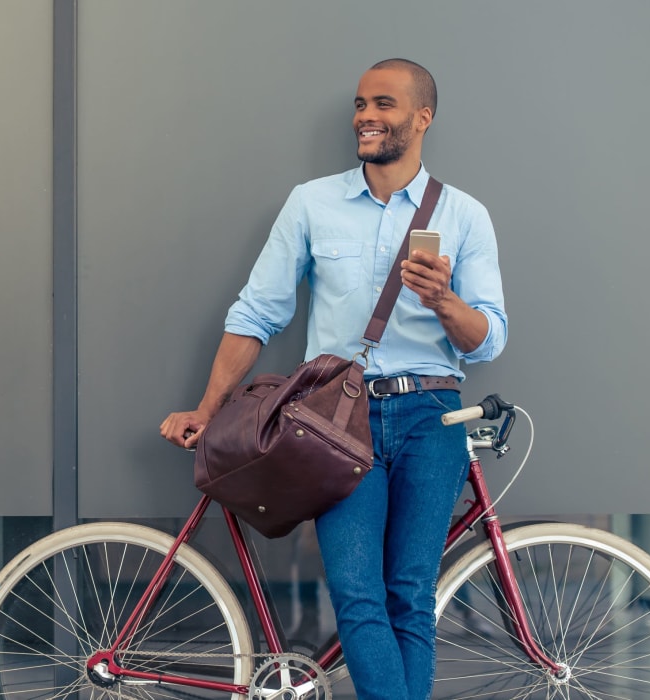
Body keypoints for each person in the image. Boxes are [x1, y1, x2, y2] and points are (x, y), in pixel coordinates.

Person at [159, 58, 507, 700]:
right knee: (356, 592)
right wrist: (208, 409)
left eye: (383, 104)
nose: (366, 117)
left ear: (422, 117)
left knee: (410, 593)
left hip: (433, 417)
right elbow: (257, 313)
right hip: (335, 421)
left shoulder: (464, 215)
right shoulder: (312, 203)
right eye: (359, 105)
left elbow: (489, 338)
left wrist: (445, 302)